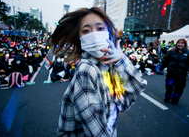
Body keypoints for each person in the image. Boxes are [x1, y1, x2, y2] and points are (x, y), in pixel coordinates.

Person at [49, 7, 147, 137]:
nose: (94, 35)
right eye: (86, 31)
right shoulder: (86, 70)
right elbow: (94, 128)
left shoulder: (110, 65)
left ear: (109, 33)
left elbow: (133, 91)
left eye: (100, 28)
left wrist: (121, 59)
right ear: (80, 38)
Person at [160, 39, 189, 105]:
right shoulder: (171, 52)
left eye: (182, 43)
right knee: (169, 86)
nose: (180, 44)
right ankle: (168, 96)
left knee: (179, 88)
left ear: (184, 44)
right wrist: (162, 67)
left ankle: (175, 98)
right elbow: (165, 60)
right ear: (176, 44)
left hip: (181, 74)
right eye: (178, 43)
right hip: (171, 73)